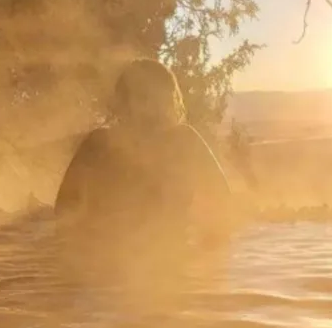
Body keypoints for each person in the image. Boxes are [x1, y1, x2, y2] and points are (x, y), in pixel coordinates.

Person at [55, 59, 236, 258]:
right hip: (104, 257)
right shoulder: (99, 144)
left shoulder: (185, 142)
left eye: (160, 98)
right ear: (123, 101)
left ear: (170, 100)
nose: (152, 107)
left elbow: (223, 201)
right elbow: (65, 209)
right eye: (143, 97)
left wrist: (208, 253)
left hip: (171, 257)